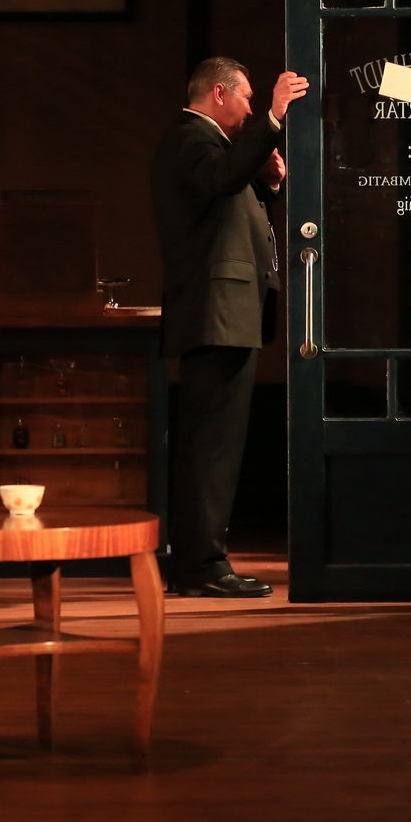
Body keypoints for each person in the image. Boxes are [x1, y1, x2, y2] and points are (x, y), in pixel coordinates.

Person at [151, 57, 308, 597]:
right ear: (219, 93)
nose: (249, 109)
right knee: (209, 447)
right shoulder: (190, 138)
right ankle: (200, 567)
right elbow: (221, 181)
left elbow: (227, 196)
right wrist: (274, 117)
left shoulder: (211, 147)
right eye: (246, 98)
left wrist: (268, 180)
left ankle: (202, 562)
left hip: (226, 315)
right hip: (214, 315)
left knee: (216, 444)